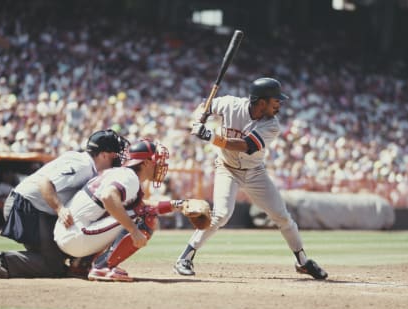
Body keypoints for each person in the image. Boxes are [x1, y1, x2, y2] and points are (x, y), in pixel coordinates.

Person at [173, 77, 328, 280]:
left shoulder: (272, 125)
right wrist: (199, 118)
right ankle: (185, 258)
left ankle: (303, 261)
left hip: (255, 172)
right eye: (276, 101)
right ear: (262, 102)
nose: (279, 105)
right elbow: (205, 105)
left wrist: (210, 136)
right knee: (221, 214)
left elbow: (245, 145)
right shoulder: (230, 104)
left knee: (282, 217)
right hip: (227, 168)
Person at [0, 129, 129, 278]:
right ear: (102, 155)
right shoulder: (83, 166)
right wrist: (60, 209)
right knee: (52, 266)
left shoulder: (86, 165)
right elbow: (45, 183)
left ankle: (77, 264)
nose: (118, 159)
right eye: (114, 155)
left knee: (63, 253)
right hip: (26, 205)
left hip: (36, 207)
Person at [54, 139, 181, 281]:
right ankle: (103, 267)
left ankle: (81, 265)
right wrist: (133, 230)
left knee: (133, 213)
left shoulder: (120, 174)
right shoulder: (130, 178)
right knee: (146, 216)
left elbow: (130, 205)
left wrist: (178, 205)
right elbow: (108, 197)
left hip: (69, 232)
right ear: (145, 163)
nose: (160, 164)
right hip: (76, 236)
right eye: (156, 160)